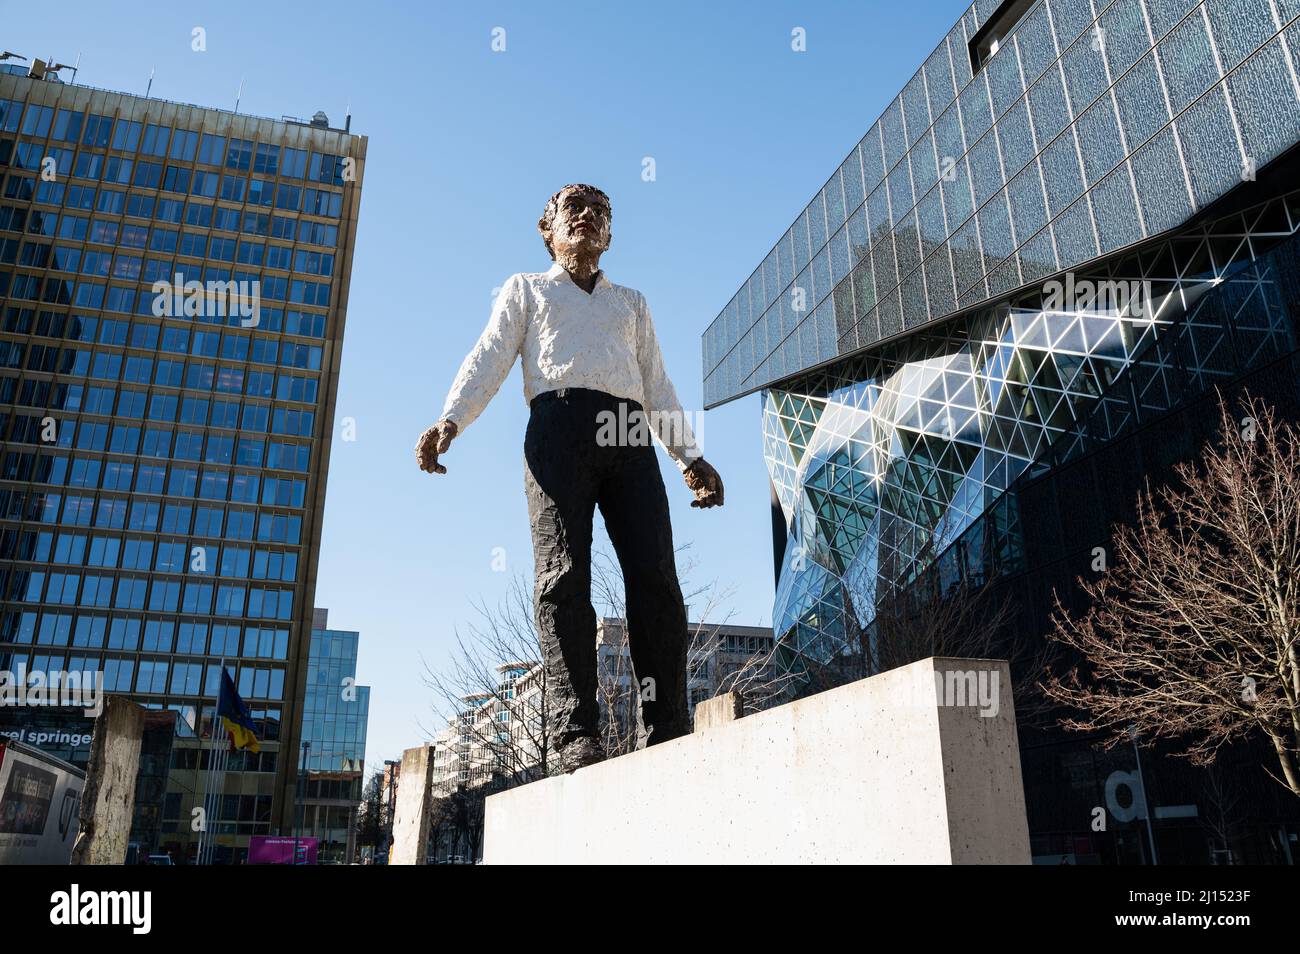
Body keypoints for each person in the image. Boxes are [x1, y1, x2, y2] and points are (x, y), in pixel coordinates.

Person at [415, 183, 724, 772]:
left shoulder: (631, 303)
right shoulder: (526, 291)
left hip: (629, 431)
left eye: (599, 212)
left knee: (656, 574)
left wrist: (689, 455)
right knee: (563, 576)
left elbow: (657, 382)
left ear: (609, 235)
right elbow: (490, 356)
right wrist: (450, 419)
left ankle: (667, 724)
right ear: (546, 229)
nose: (586, 216)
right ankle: (573, 732)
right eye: (572, 210)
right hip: (558, 428)